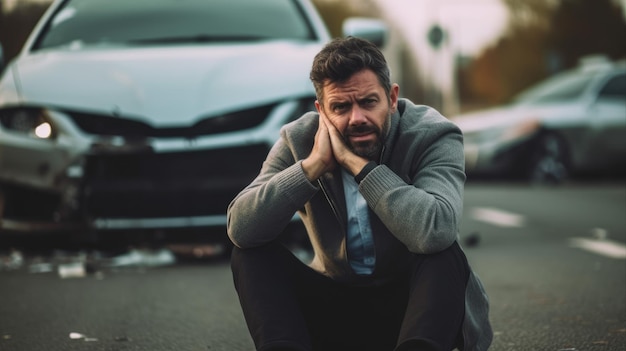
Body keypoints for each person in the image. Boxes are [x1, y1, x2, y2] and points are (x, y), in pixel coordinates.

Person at [227, 36, 492, 351]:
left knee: (443, 251)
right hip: (335, 312)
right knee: (251, 251)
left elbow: (437, 229)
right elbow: (241, 228)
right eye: (340, 107)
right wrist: (310, 167)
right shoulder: (299, 140)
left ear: (391, 99)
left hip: (411, 317)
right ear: (321, 110)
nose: (357, 119)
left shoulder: (432, 135)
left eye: (368, 102)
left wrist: (359, 167)